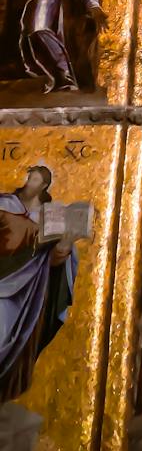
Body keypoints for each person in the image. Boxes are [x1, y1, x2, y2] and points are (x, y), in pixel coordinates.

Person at [0, 166, 80, 402]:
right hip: (4, 279)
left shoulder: (49, 215)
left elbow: (52, 262)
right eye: (29, 177)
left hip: (29, 289)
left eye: (35, 179)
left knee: (13, 336)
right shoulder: (6, 204)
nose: (29, 182)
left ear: (44, 185)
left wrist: (65, 242)